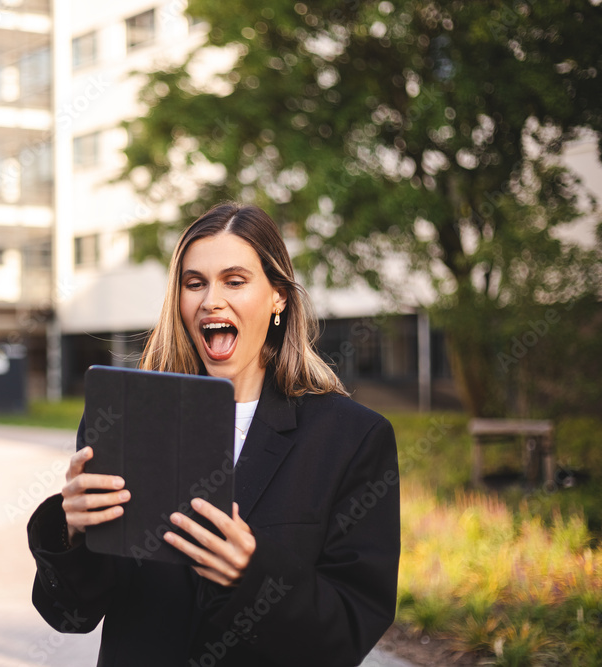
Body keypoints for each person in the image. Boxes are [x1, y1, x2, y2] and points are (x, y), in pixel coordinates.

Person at [27, 202, 400, 666]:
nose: (211, 300)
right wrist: (72, 530)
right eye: (195, 283)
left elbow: (348, 631)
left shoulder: (351, 439)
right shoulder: (126, 421)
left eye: (235, 281)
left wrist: (254, 575)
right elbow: (70, 615)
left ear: (278, 296)